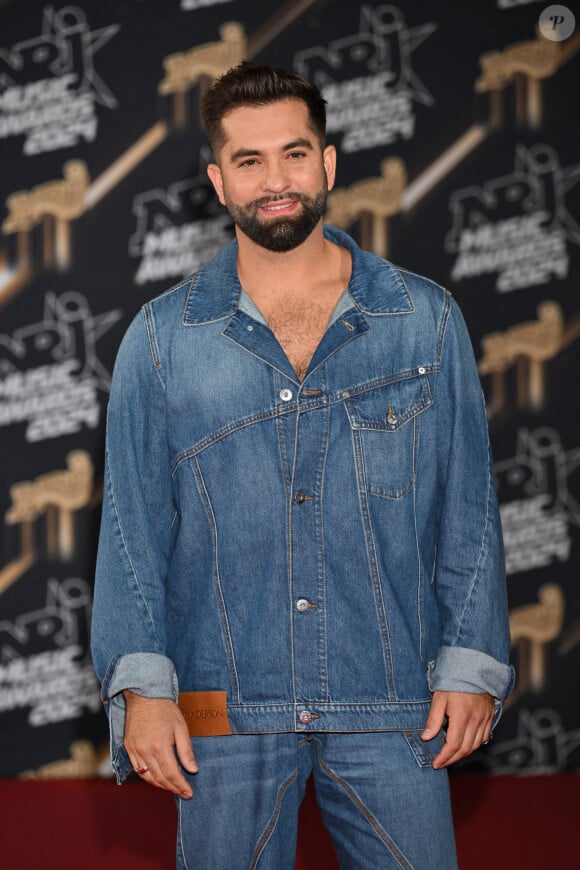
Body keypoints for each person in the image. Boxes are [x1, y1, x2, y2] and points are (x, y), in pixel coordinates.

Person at [91, 61, 514, 869]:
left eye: (293, 154)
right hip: (222, 707)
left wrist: (471, 663)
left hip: (392, 697)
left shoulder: (421, 319)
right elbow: (131, 529)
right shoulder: (161, 339)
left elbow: (470, 507)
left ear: (328, 163)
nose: (274, 180)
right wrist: (143, 691)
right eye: (249, 161)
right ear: (218, 182)